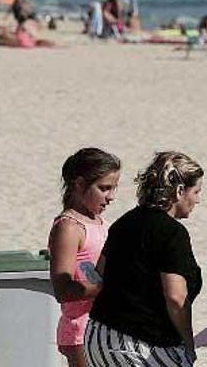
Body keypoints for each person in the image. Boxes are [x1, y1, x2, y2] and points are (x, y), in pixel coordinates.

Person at [87, 152, 206, 367]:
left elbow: (99, 275)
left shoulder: (125, 222)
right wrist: (188, 343)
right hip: (138, 346)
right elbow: (176, 298)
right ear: (179, 191)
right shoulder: (171, 232)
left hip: (98, 339)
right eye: (196, 191)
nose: (198, 199)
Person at [49, 148, 121, 367]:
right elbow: (63, 289)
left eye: (113, 188)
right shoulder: (69, 227)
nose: (111, 197)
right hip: (81, 331)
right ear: (79, 184)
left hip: (106, 328)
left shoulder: (101, 224)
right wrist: (113, 287)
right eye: (104, 188)